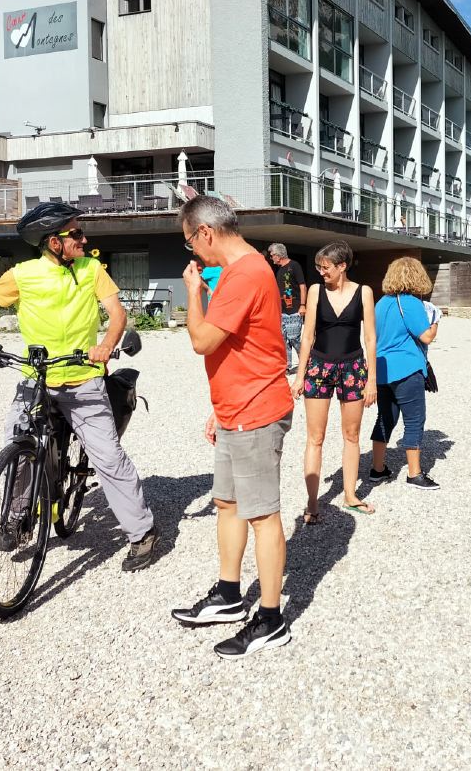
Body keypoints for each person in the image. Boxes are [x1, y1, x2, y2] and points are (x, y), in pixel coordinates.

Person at [0, 202, 158, 572]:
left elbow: (117, 313)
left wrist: (106, 344)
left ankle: (143, 532)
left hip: (84, 380)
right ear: (55, 242)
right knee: (19, 444)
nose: (84, 240)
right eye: (77, 234)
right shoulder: (24, 275)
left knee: (108, 457)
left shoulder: (91, 269)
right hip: (37, 377)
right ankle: (17, 517)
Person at [170, 196, 295, 658]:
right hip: (234, 409)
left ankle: (271, 619)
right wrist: (218, 408)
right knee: (227, 503)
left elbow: (203, 341)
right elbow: (238, 346)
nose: (193, 252)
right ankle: (228, 595)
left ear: (205, 233)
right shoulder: (243, 269)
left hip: (256, 411)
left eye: (190, 242)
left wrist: (192, 292)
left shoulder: (244, 274)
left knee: (262, 515)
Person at [292, 240, 378, 520]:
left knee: (351, 435)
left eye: (325, 267)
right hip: (319, 366)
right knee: (315, 437)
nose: (321, 272)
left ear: (342, 266)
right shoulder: (315, 291)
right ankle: (312, 503)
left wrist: (372, 380)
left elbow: (370, 338)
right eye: (318, 267)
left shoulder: (364, 292)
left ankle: (351, 495)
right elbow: (307, 336)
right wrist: (300, 376)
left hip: (353, 367)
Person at [367, 257, 440, 490]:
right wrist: (436, 321)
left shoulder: (381, 303)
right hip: (406, 368)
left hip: (382, 369)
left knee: (385, 418)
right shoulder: (410, 303)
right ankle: (414, 473)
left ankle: (378, 468)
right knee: (414, 419)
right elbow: (426, 336)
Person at [268, 243, 306, 374]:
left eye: (272, 255)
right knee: (284, 341)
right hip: (282, 312)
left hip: (294, 310)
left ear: (278, 255)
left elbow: (302, 286)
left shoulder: (294, 266)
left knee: (294, 339)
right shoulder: (279, 270)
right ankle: (286, 366)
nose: (271, 258)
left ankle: (305, 364)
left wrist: (302, 305)